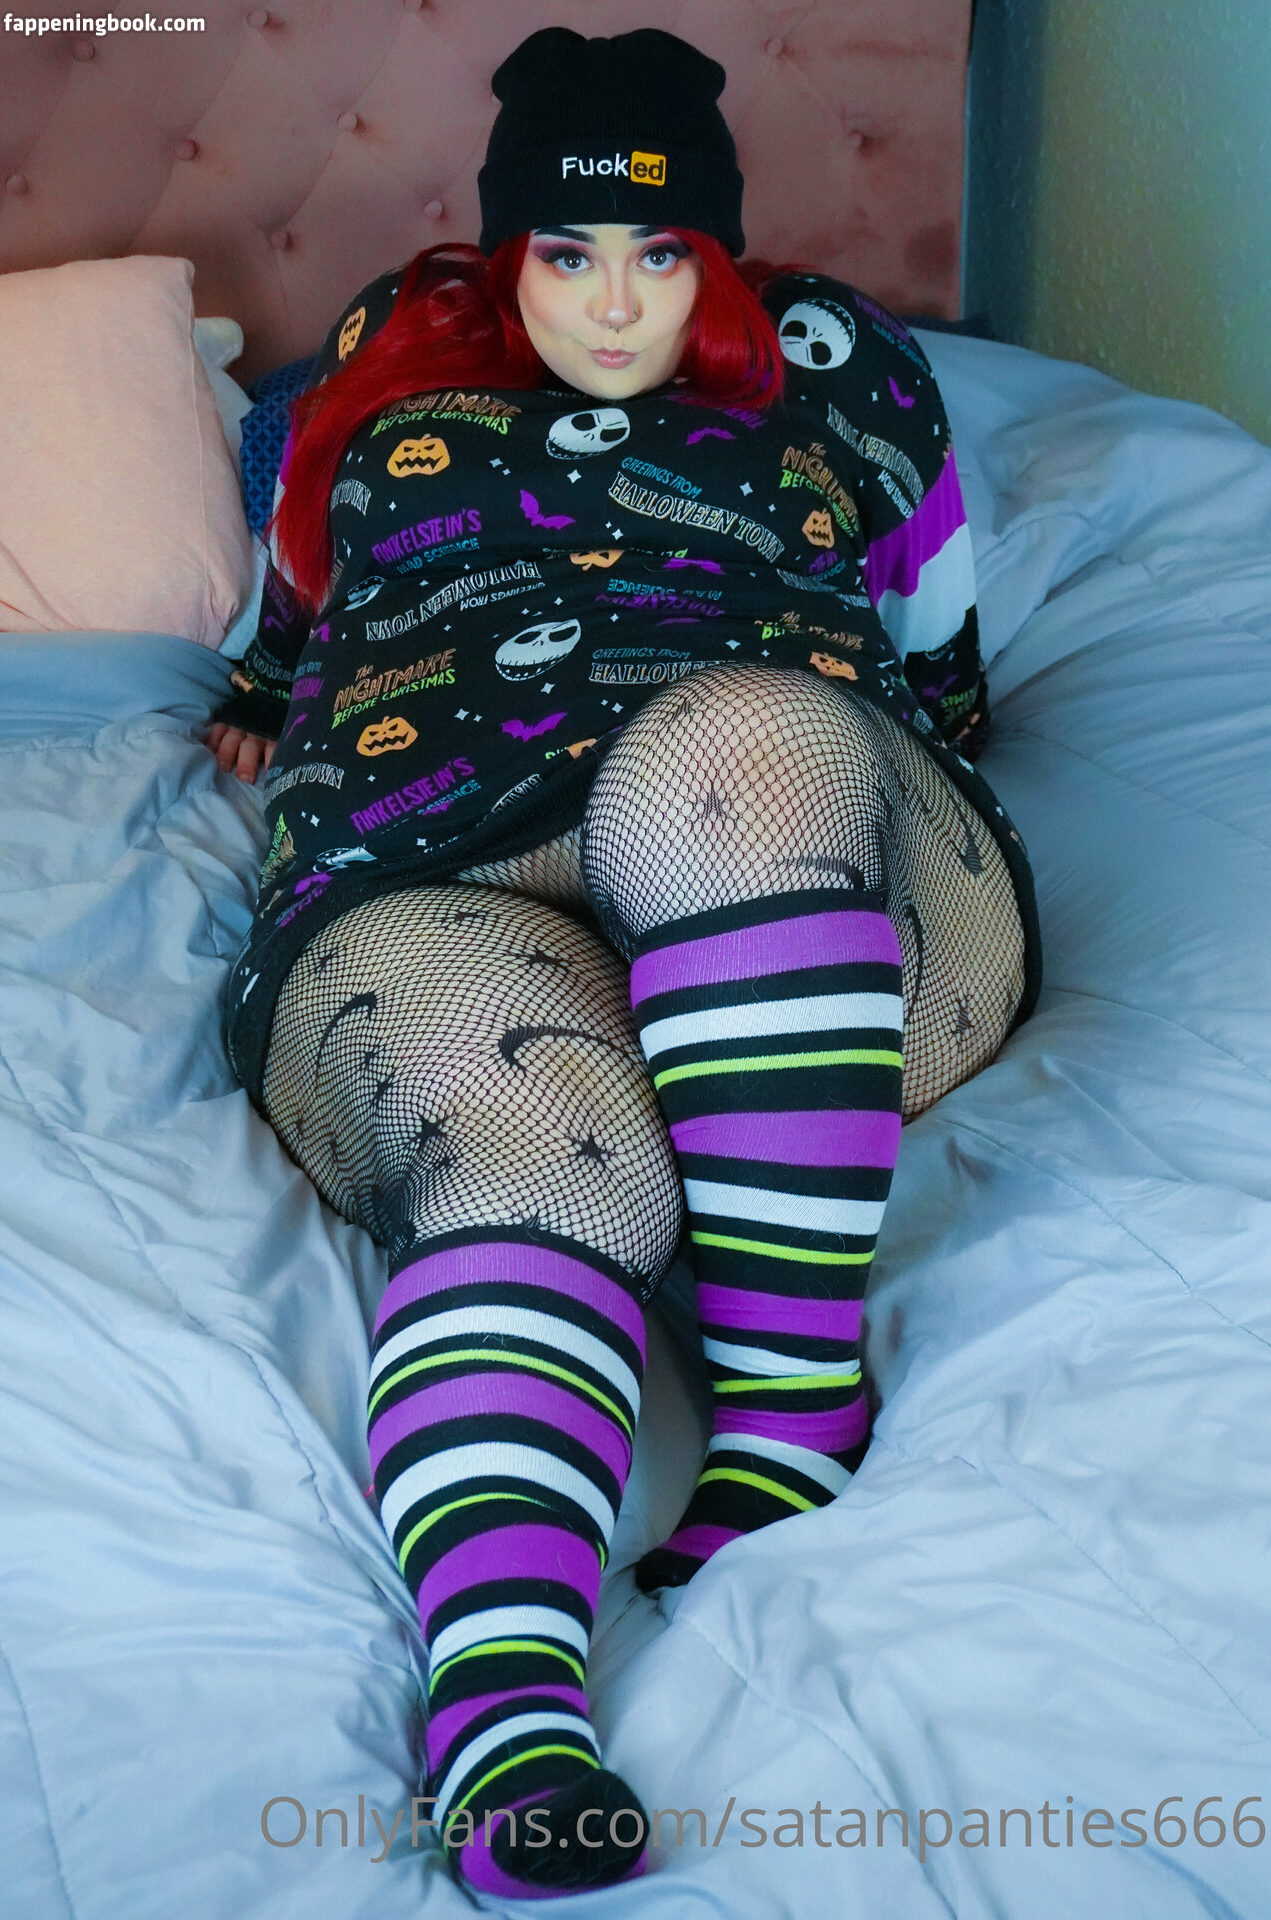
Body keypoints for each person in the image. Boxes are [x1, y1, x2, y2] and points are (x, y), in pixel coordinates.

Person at [208, 25, 1041, 1900]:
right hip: (429, 833)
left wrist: (860, 747)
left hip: (775, 807)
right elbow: (306, 574)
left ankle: (789, 1415)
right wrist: (265, 688)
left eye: (662, 254)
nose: (611, 303)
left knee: (721, 759)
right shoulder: (389, 343)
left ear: (718, 251)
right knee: (533, 1145)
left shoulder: (842, 365)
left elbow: (945, 655)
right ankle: (506, 1712)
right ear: (504, 246)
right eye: (567, 253)